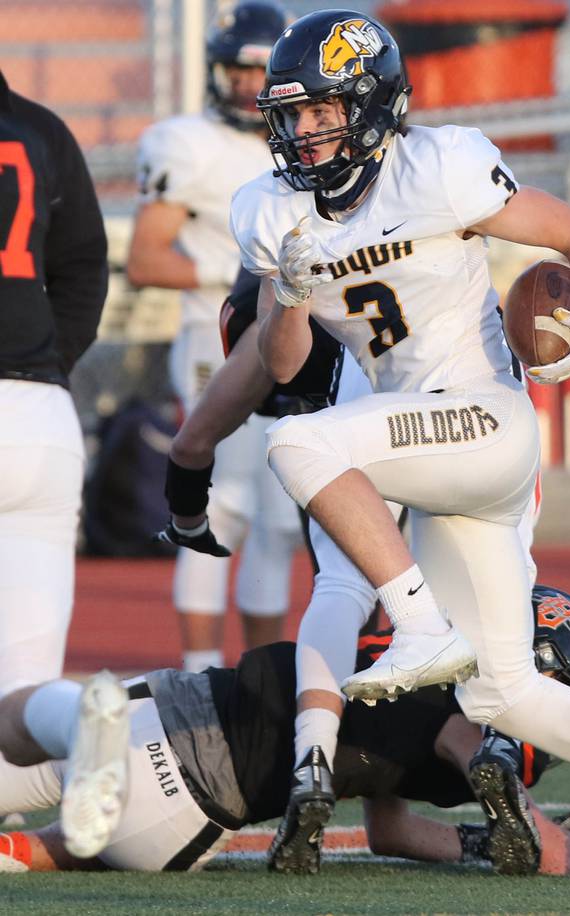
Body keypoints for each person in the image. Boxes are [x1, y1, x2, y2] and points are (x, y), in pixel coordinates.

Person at [228, 9, 570, 882]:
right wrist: (286, 294)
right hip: (420, 444)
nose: (307, 131)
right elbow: (284, 365)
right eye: (294, 114)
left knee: (301, 448)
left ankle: (422, 627)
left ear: (371, 103)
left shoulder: (440, 167)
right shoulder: (271, 209)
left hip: (483, 421)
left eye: (324, 110)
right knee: (502, 690)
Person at [0, 586, 570, 875]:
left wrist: (530, 829)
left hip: (168, 718)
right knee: (52, 846)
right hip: (174, 825)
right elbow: (391, 828)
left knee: (23, 726)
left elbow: (481, 766)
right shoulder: (466, 726)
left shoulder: (422, 666)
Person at [126, 1, 300, 672]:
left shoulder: (305, 139)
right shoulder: (186, 142)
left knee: (281, 521)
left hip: (291, 343)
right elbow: (146, 258)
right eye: (236, 69)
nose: (246, 85)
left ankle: (260, 685)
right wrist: (246, 282)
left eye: (260, 70)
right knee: (221, 507)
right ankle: (200, 678)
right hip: (215, 338)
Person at [0, 70, 108, 697]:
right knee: (27, 682)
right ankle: (78, 724)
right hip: (40, 417)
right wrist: (45, 364)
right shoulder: (40, 128)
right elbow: (85, 269)